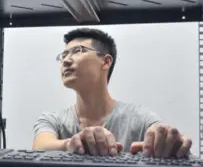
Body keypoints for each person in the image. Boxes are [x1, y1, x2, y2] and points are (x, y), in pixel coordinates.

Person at [32, 28, 192, 158]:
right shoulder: (53, 119)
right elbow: (40, 145)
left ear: (106, 61)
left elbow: (158, 132)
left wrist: (168, 141)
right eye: (63, 55)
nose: (66, 61)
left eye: (77, 51)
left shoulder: (140, 118)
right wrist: (68, 144)